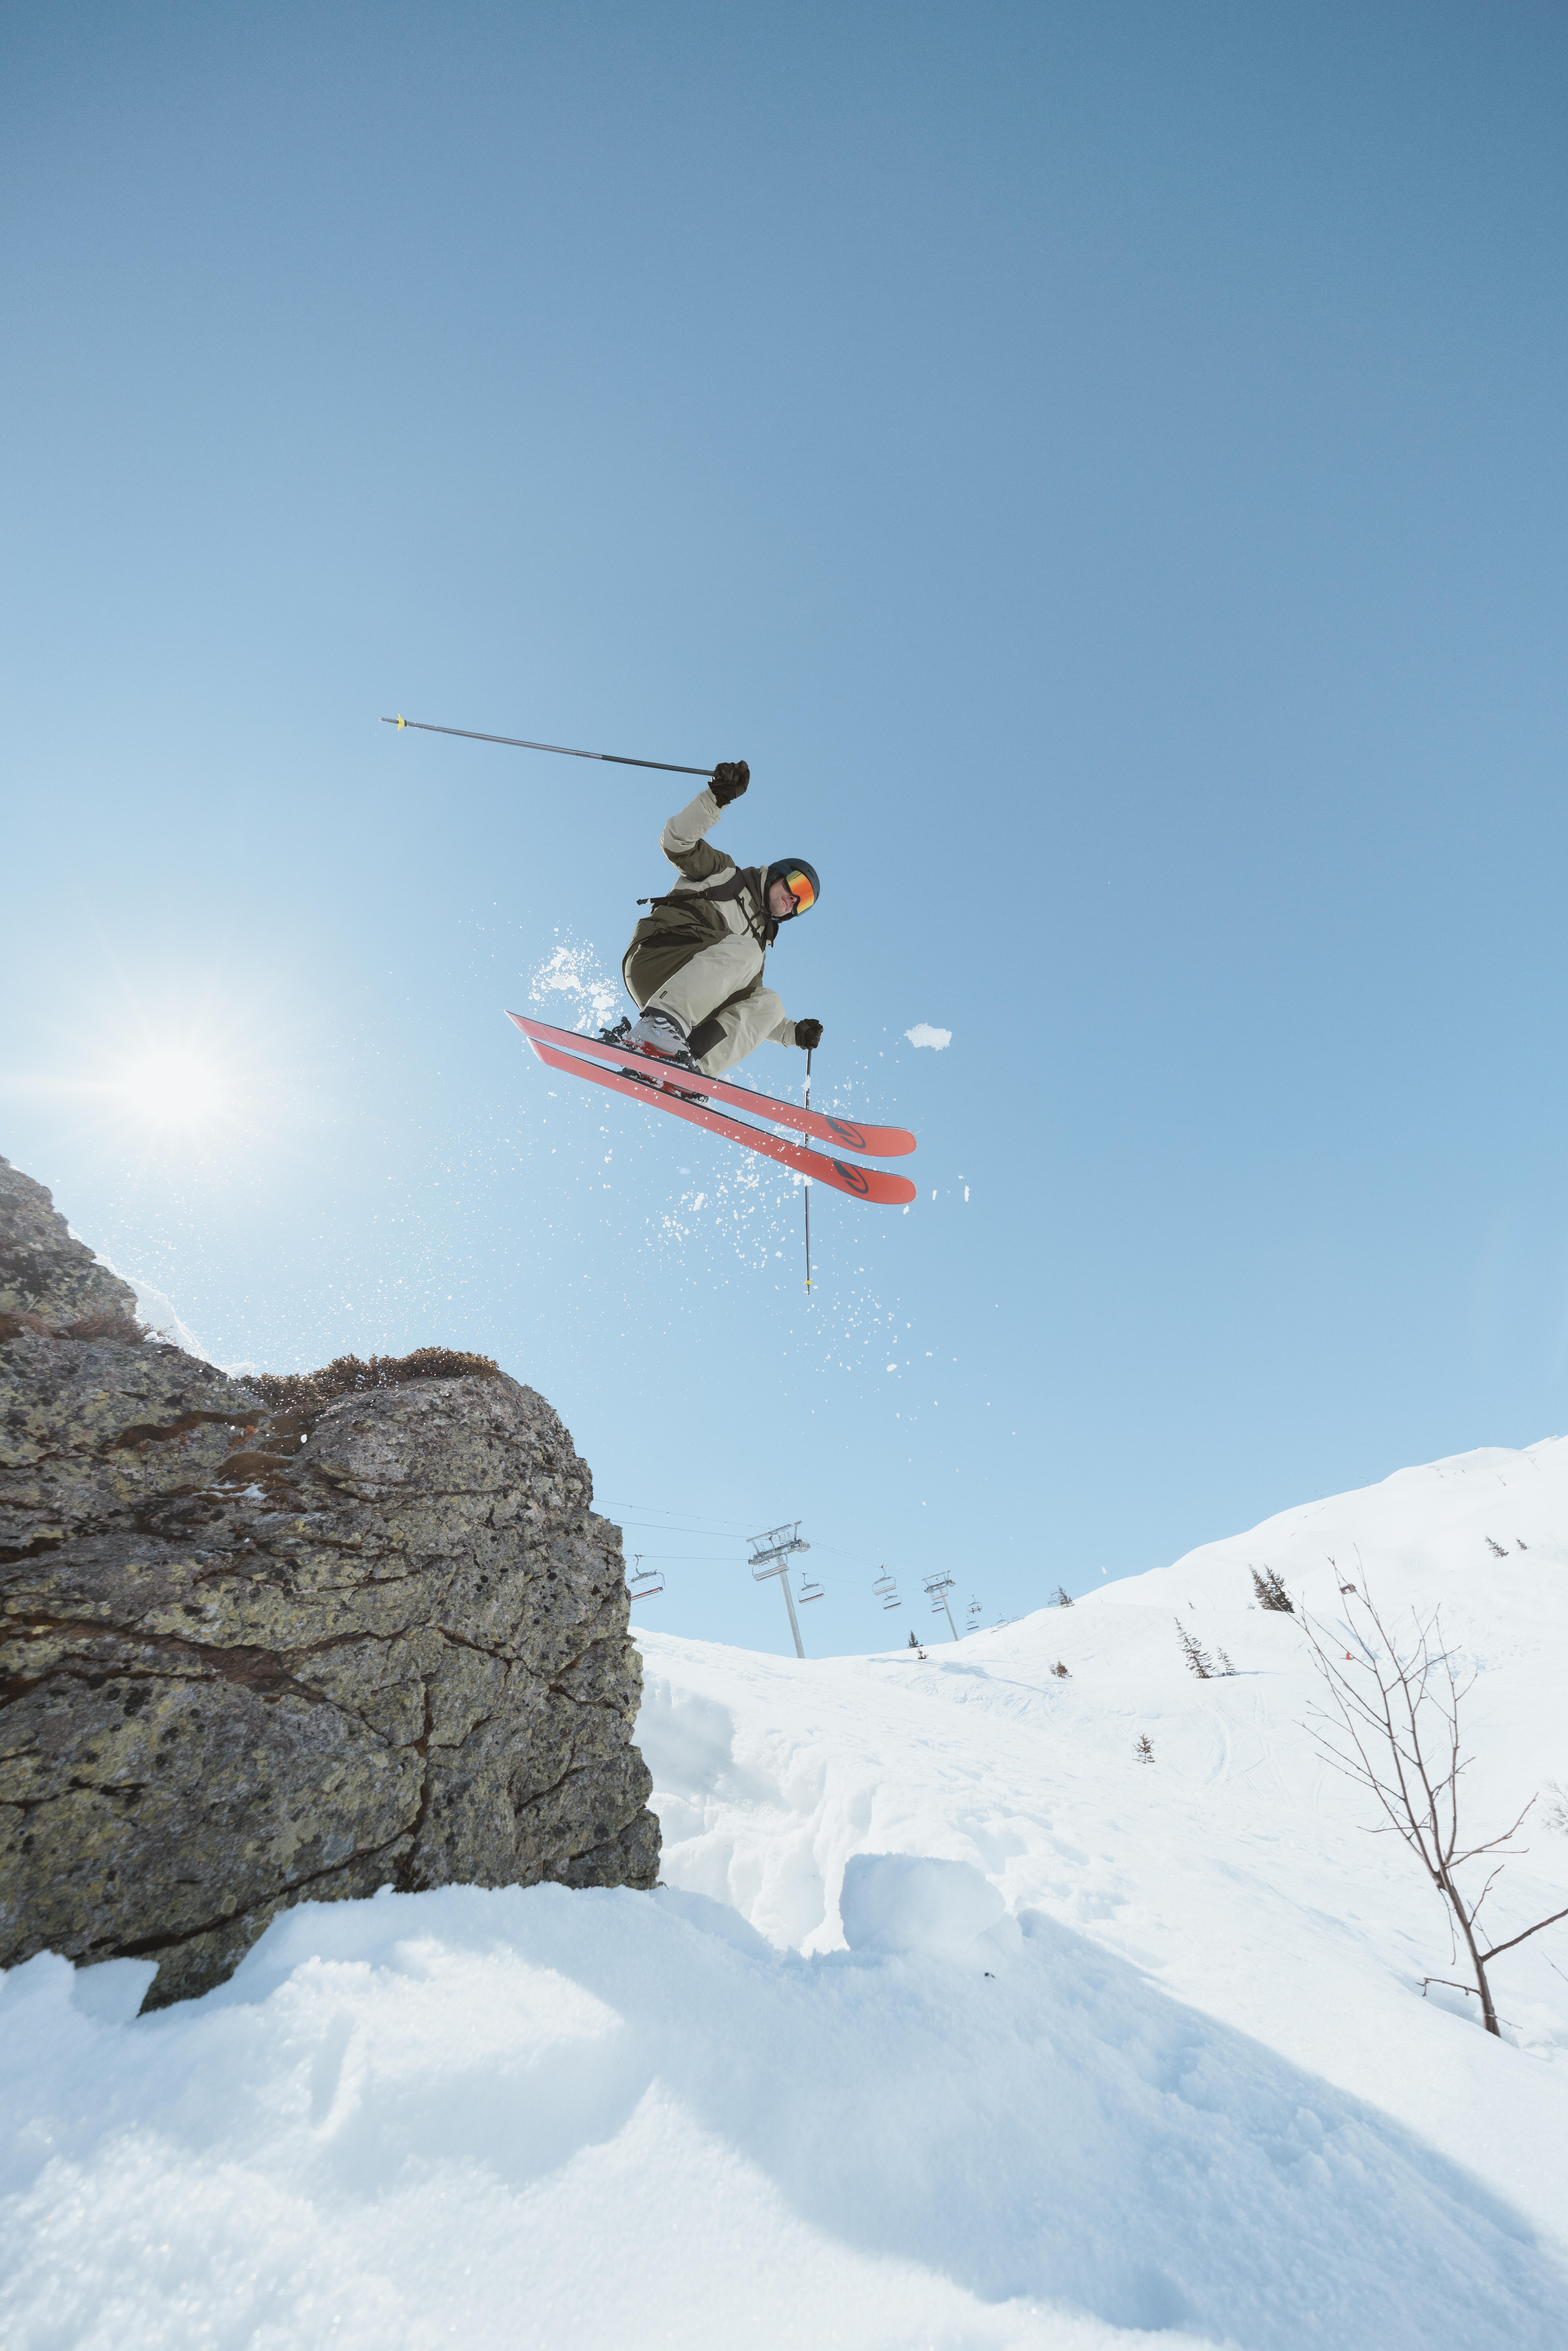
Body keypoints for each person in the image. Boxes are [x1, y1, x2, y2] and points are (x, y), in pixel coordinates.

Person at [613, 761, 823, 1078]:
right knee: (747, 951)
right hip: (660, 956)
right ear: (777, 873)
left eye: (802, 903)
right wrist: (715, 798)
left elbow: (742, 1004)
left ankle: (690, 1069)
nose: (793, 900)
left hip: (691, 999)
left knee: (770, 1003)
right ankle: (657, 1028)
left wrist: (791, 1033)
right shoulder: (725, 875)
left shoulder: (755, 948)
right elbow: (677, 842)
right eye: (797, 886)